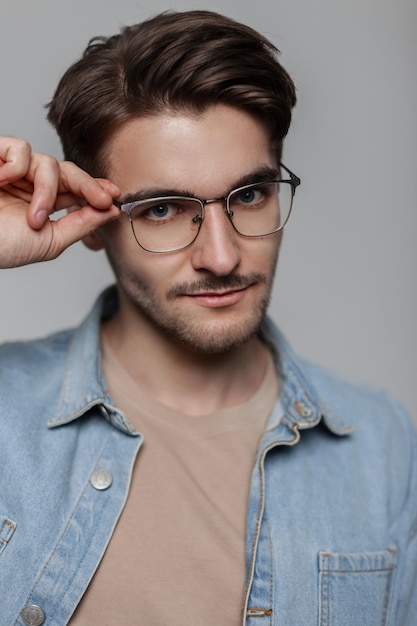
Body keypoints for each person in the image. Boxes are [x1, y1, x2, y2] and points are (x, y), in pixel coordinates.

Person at [0, 10, 415, 626]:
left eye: (249, 195)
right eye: (164, 208)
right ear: (88, 216)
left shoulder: (381, 446)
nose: (221, 257)